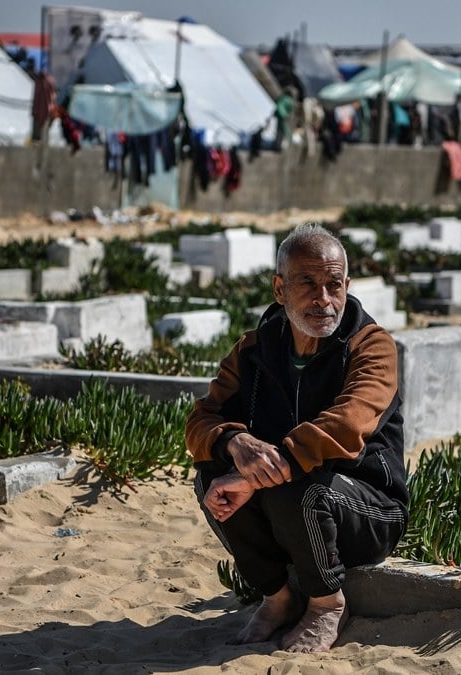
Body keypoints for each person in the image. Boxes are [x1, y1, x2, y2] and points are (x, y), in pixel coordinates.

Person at [185, 224, 408, 653]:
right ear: (279, 289)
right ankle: (278, 597)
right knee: (210, 476)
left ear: (347, 287)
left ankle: (326, 604)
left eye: (334, 285)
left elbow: (348, 423)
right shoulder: (252, 350)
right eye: (307, 283)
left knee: (298, 486)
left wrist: (262, 472)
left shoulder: (371, 346)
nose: (323, 299)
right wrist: (234, 442)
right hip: (288, 498)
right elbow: (201, 420)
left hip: (367, 505)